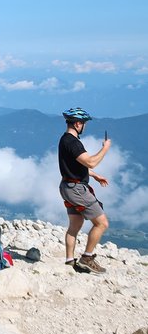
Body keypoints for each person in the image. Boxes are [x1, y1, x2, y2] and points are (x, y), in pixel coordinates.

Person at [58, 107, 111, 274]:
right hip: (77, 189)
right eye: (84, 123)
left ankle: (69, 261)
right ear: (78, 124)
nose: (85, 126)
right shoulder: (73, 142)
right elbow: (90, 162)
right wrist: (105, 148)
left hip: (67, 186)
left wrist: (94, 176)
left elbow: (75, 166)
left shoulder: (64, 140)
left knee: (75, 225)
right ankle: (87, 258)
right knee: (102, 223)